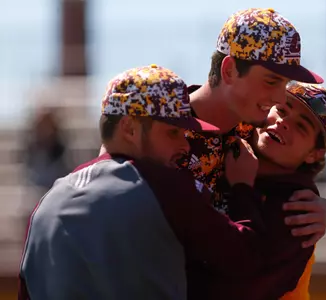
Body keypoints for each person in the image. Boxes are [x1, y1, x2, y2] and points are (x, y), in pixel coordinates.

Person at [18, 65, 299, 300]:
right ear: (129, 128)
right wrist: (242, 189)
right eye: (173, 133)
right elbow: (245, 259)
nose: (185, 146)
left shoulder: (46, 203)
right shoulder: (163, 186)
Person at [190, 81, 326, 300]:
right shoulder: (225, 141)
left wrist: (241, 189)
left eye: (301, 126)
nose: (283, 122)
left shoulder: (300, 211)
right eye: (281, 110)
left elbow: (242, 286)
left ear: (314, 154)